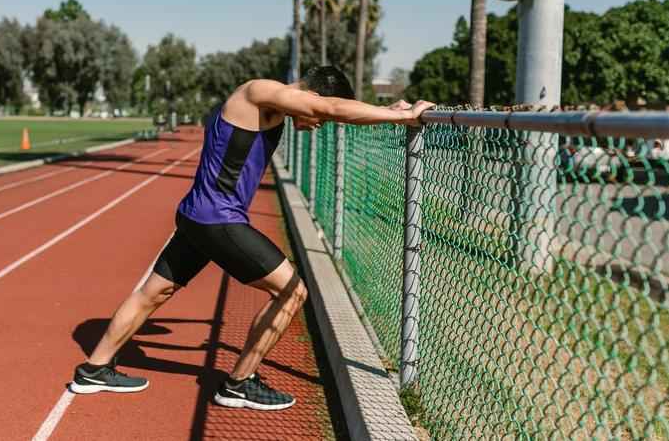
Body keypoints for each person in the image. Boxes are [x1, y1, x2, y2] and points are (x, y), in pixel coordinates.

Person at [70, 66, 433, 411]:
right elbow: (330, 106)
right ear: (310, 94)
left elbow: (330, 106)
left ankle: (93, 371)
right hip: (218, 219)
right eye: (317, 116)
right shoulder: (260, 91)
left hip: (199, 215)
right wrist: (402, 116)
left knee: (153, 293)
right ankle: (239, 383)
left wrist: (385, 108)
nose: (318, 124)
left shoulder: (267, 106)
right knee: (292, 291)